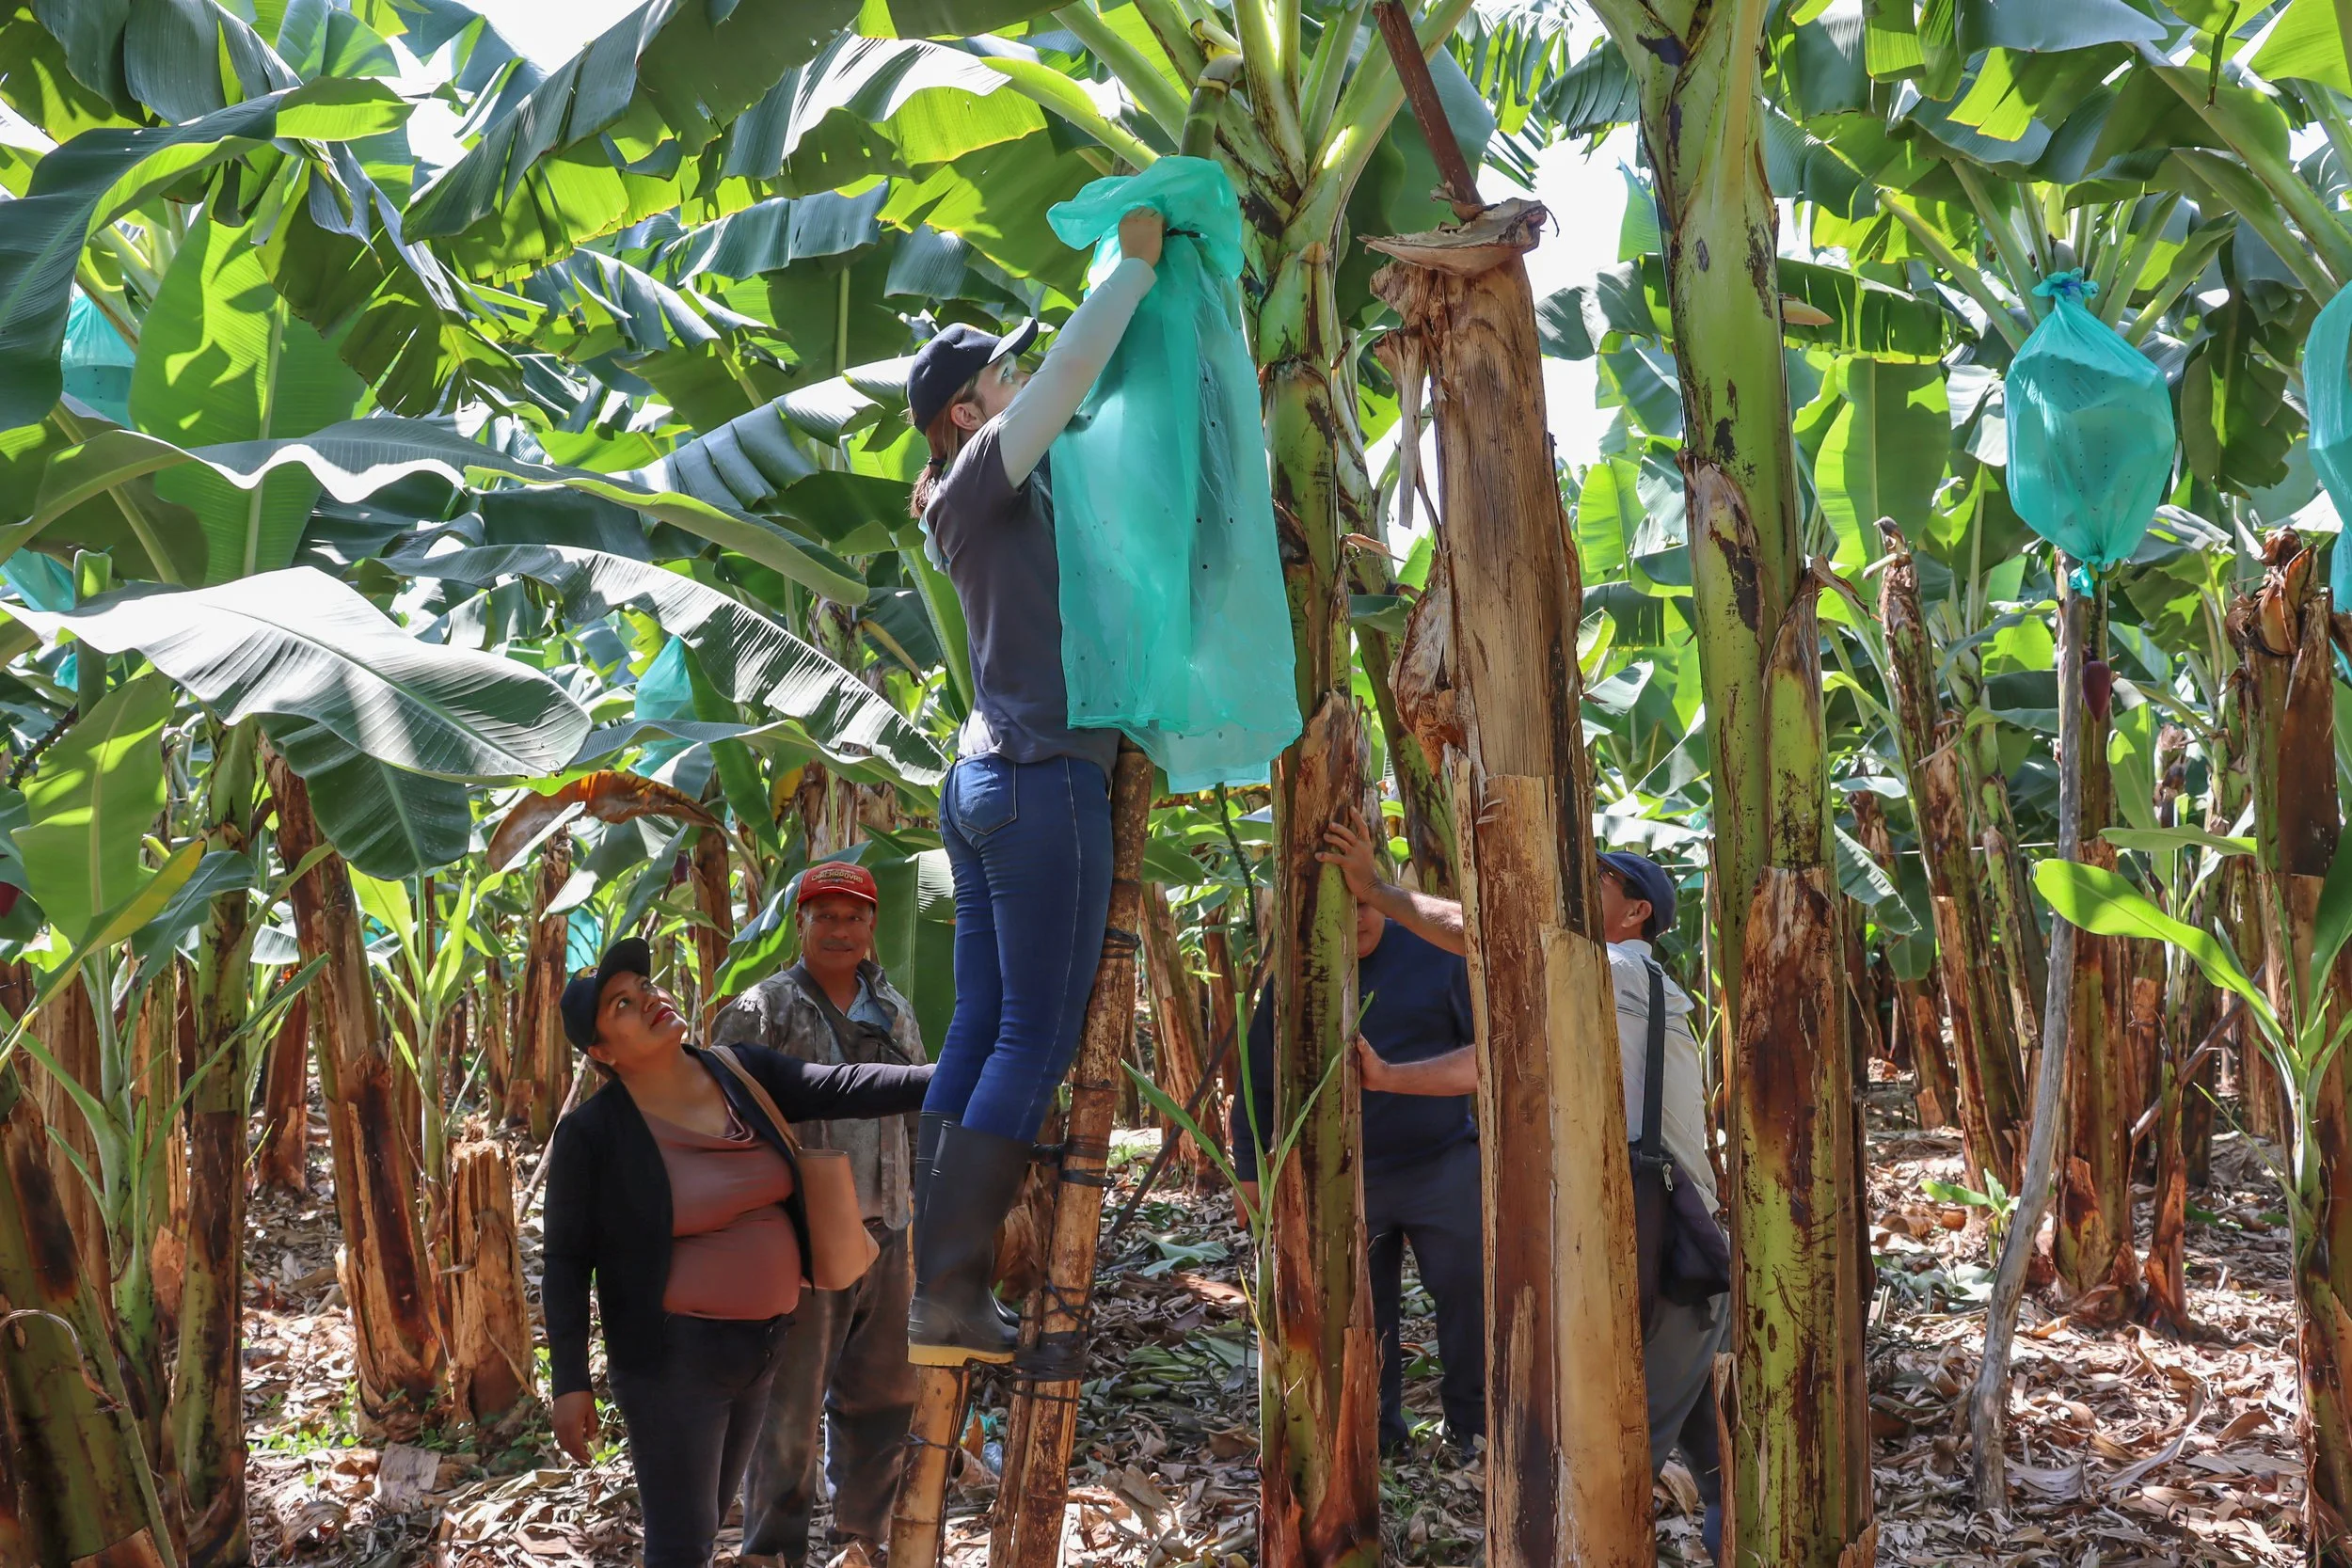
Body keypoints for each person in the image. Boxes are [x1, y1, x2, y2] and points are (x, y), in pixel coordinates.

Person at [900, 203, 1168, 1364]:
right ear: (965, 411)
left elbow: (1070, 399)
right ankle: (951, 1293)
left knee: (981, 1028)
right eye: (999, 377)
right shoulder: (977, 470)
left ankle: (935, 1288)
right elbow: (1071, 372)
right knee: (1031, 1040)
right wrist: (1137, 266)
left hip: (987, 776)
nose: (1019, 386)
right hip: (1041, 775)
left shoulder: (981, 489)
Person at [1320, 818, 1725, 1558]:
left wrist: (1381, 890)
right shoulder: (1623, 991)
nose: (1580, 891)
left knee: (1617, 1460)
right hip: (1675, 1254)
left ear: (1635, 912)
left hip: (1668, 1256)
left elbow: (1488, 931)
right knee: (1718, 1461)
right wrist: (1389, 1078)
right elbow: (1493, 1058)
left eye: (1598, 882)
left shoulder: (1618, 972)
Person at [540, 938, 932, 1568]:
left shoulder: (736, 1072)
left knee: (704, 1525)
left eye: (646, 986)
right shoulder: (593, 1133)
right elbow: (563, 1260)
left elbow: (842, 1086)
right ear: (601, 1051)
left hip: (763, 1347)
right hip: (673, 1363)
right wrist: (569, 1382)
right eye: (623, 1003)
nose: (650, 1000)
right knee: (681, 1542)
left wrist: (949, 1078)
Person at [709, 863, 925, 1568]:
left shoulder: (891, 1006)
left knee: (883, 1394)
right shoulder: (763, 1010)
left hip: (888, 1229)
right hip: (800, 1241)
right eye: (825, 915)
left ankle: (860, 1538)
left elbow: (920, 1109)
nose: (841, 929)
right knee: (789, 1413)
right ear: (799, 923)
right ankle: (772, 1552)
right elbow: (724, 1121)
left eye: (854, 916)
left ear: (872, 926)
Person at [1230, 874, 1486, 1457]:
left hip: (1441, 1166)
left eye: (1367, 903)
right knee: (1362, 1310)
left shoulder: (1435, 957)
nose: (1360, 918)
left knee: (1467, 1297)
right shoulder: (1299, 973)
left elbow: (1492, 1050)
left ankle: (1473, 1426)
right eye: (1344, 907)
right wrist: (1249, 1170)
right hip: (1343, 1176)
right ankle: (1377, 1434)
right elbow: (1255, 1082)